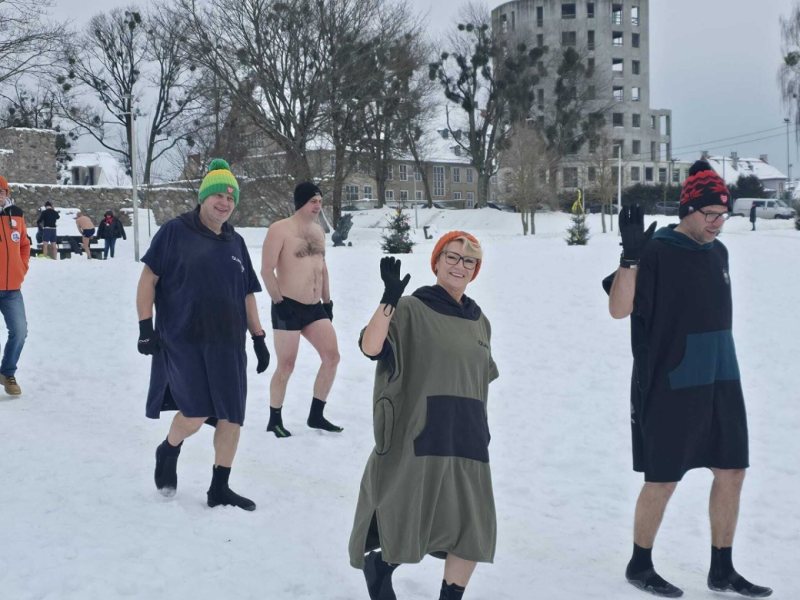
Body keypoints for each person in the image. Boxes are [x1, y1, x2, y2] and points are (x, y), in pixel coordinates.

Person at [605, 160, 772, 598]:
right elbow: (619, 309)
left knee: (732, 471)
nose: (718, 223)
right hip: (669, 381)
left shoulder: (719, 253)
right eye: (710, 214)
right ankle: (640, 564)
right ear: (688, 210)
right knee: (663, 478)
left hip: (721, 377)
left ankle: (722, 568)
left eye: (724, 214)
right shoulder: (657, 250)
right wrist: (630, 259)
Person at [349, 231, 499, 600]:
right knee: (406, 516)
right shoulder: (411, 309)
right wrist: (389, 301)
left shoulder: (480, 321)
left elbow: (479, 377)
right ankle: (380, 566)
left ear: (475, 269)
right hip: (418, 433)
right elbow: (371, 346)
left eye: (469, 260)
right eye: (452, 256)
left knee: (471, 528)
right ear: (436, 262)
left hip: (468, 437)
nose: (459, 266)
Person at [136, 158, 271, 511]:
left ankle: (219, 488)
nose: (225, 203)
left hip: (228, 345)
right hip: (183, 341)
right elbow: (148, 279)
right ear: (203, 197)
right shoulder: (174, 232)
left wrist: (258, 338)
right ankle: (168, 449)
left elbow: (247, 293)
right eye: (218, 196)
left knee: (231, 416)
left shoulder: (235, 242)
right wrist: (145, 328)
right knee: (195, 413)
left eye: (231, 197)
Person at [260, 181, 341, 437]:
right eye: (313, 201)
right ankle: (274, 419)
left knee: (332, 357)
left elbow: (322, 267)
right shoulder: (279, 229)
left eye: (320, 201)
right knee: (286, 365)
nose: (318, 206)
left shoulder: (318, 231)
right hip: (288, 305)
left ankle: (316, 415)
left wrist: (327, 301)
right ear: (301, 203)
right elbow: (266, 270)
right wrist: (278, 302)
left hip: (314, 307)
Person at [0, 175, 30, 396]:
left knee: (20, 332)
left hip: (12, 289)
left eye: (1, 192)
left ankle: (7, 372)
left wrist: (22, 267)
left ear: (6, 194)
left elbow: (24, 245)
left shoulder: (16, 214)